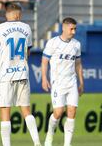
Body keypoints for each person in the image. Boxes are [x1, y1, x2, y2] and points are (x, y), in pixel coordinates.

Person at [0, 3, 41, 146]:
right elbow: (28, 51)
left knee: (5, 113)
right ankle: (37, 143)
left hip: (6, 75)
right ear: (19, 15)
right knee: (26, 111)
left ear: (7, 14)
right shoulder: (26, 28)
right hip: (23, 73)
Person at [41, 17, 84, 146]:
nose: (74, 31)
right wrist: (44, 78)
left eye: (75, 29)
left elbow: (78, 64)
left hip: (72, 83)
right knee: (58, 112)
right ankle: (50, 133)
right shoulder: (53, 43)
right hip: (58, 84)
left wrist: (81, 82)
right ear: (64, 28)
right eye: (72, 29)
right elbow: (44, 62)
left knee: (72, 112)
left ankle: (67, 144)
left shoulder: (76, 44)